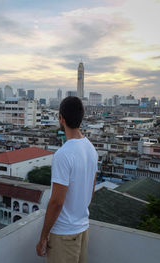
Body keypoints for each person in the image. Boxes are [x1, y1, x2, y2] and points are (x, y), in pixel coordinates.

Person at [36, 96, 98, 263]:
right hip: (83, 228)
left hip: (64, 234)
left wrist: (43, 237)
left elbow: (56, 202)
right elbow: (90, 192)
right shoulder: (91, 149)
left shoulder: (63, 154)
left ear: (61, 118)